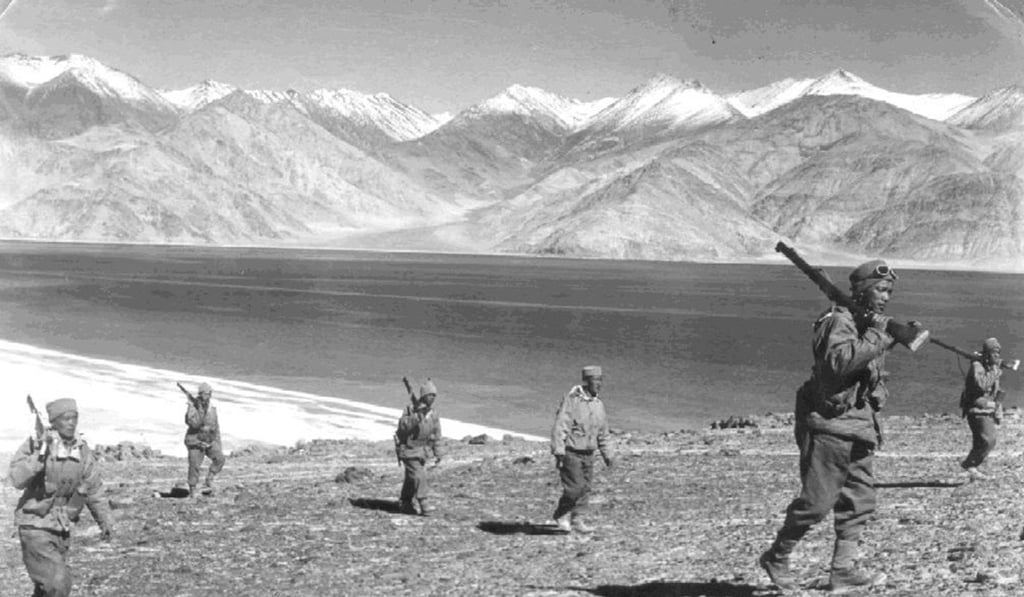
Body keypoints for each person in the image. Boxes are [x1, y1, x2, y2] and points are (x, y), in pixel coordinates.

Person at [760, 259, 919, 593]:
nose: (885, 297)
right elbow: (838, 364)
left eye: (889, 291)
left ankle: (843, 570)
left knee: (859, 500)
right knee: (817, 502)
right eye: (880, 289)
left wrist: (893, 336)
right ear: (862, 290)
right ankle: (777, 557)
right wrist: (880, 334)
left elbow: (867, 367)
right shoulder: (837, 321)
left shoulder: (866, 324)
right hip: (830, 426)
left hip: (860, 425)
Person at [8, 398, 114, 597]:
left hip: (62, 527)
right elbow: (16, 478)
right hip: (35, 525)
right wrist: (39, 457)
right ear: (54, 422)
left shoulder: (81, 450)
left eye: (75, 418)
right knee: (58, 584)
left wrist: (105, 521)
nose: (71, 423)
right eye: (66, 418)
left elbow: (93, 488)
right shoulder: (36, 444)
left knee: (47, 589)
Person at [550, 365, 614, 534]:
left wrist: (608, 455)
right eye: (595, 380)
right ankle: (561, 513)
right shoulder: (572, 400)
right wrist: (558, 450)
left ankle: (577, 519)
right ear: (587, 381)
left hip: (589, 453)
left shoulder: (598, 405)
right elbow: (561, 425)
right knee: (575, 488)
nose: (598, 384)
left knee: (585, 489)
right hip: (571, 452)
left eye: (600, 380)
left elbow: (603, 432)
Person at [395, 379, 443, 515]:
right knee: (419, 476)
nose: (432, 398)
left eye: (434, 395)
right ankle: (424, 503)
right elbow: (403, 427)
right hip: (408, 450)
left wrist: (438, 452)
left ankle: (405, 502)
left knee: (411, 478)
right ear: (424, 395)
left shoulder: (433, 413)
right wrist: (416, 417)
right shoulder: (410, 410)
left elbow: (436, 434)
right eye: (430, 395)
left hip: (422, 451)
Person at [959, 337, 1004, 480]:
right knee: (988, 440)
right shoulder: (977, 366)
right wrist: (996, 371)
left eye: (998, 352)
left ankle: (972, 469)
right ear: (987, 353)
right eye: (993, 352)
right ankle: (970, 465)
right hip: (976, 411)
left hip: (987, 410)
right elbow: (981, 385)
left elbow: (996, 392)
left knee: (982, 442)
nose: (996, 355)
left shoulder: (992, 367)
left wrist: (998, 412)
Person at [184, 382, 225, 497]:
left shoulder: (212, 408)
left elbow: (216, 426)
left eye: (208, 393)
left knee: (220, 459)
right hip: (195, 442)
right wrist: (193, 408)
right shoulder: (193, 407)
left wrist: (218, 443)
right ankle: (192, 489)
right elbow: (193, 424)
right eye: (204, 393)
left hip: (209, 441)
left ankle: (209, 480)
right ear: (200, 394)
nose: (206, 396)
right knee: (194, 465)